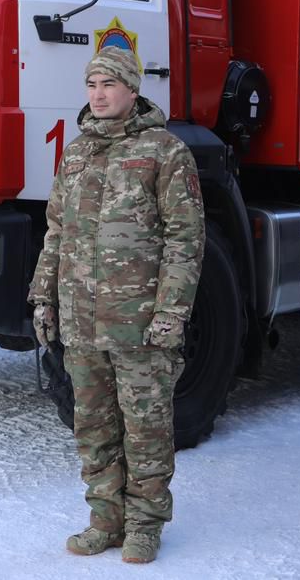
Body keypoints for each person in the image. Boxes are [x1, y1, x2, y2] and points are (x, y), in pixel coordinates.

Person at [28, 46, 204, 564]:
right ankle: (105, 518)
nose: (99, 95)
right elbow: (56, 231)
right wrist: (44, 298)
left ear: (132, 89)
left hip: (140, 324)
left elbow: (185, 239)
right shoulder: (77, 153)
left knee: (146, 427)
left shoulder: (165, 152)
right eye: (92, 85)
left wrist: (172, 312)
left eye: (109, 84)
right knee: (94, 426)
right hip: (82, 322)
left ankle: (145, 525)